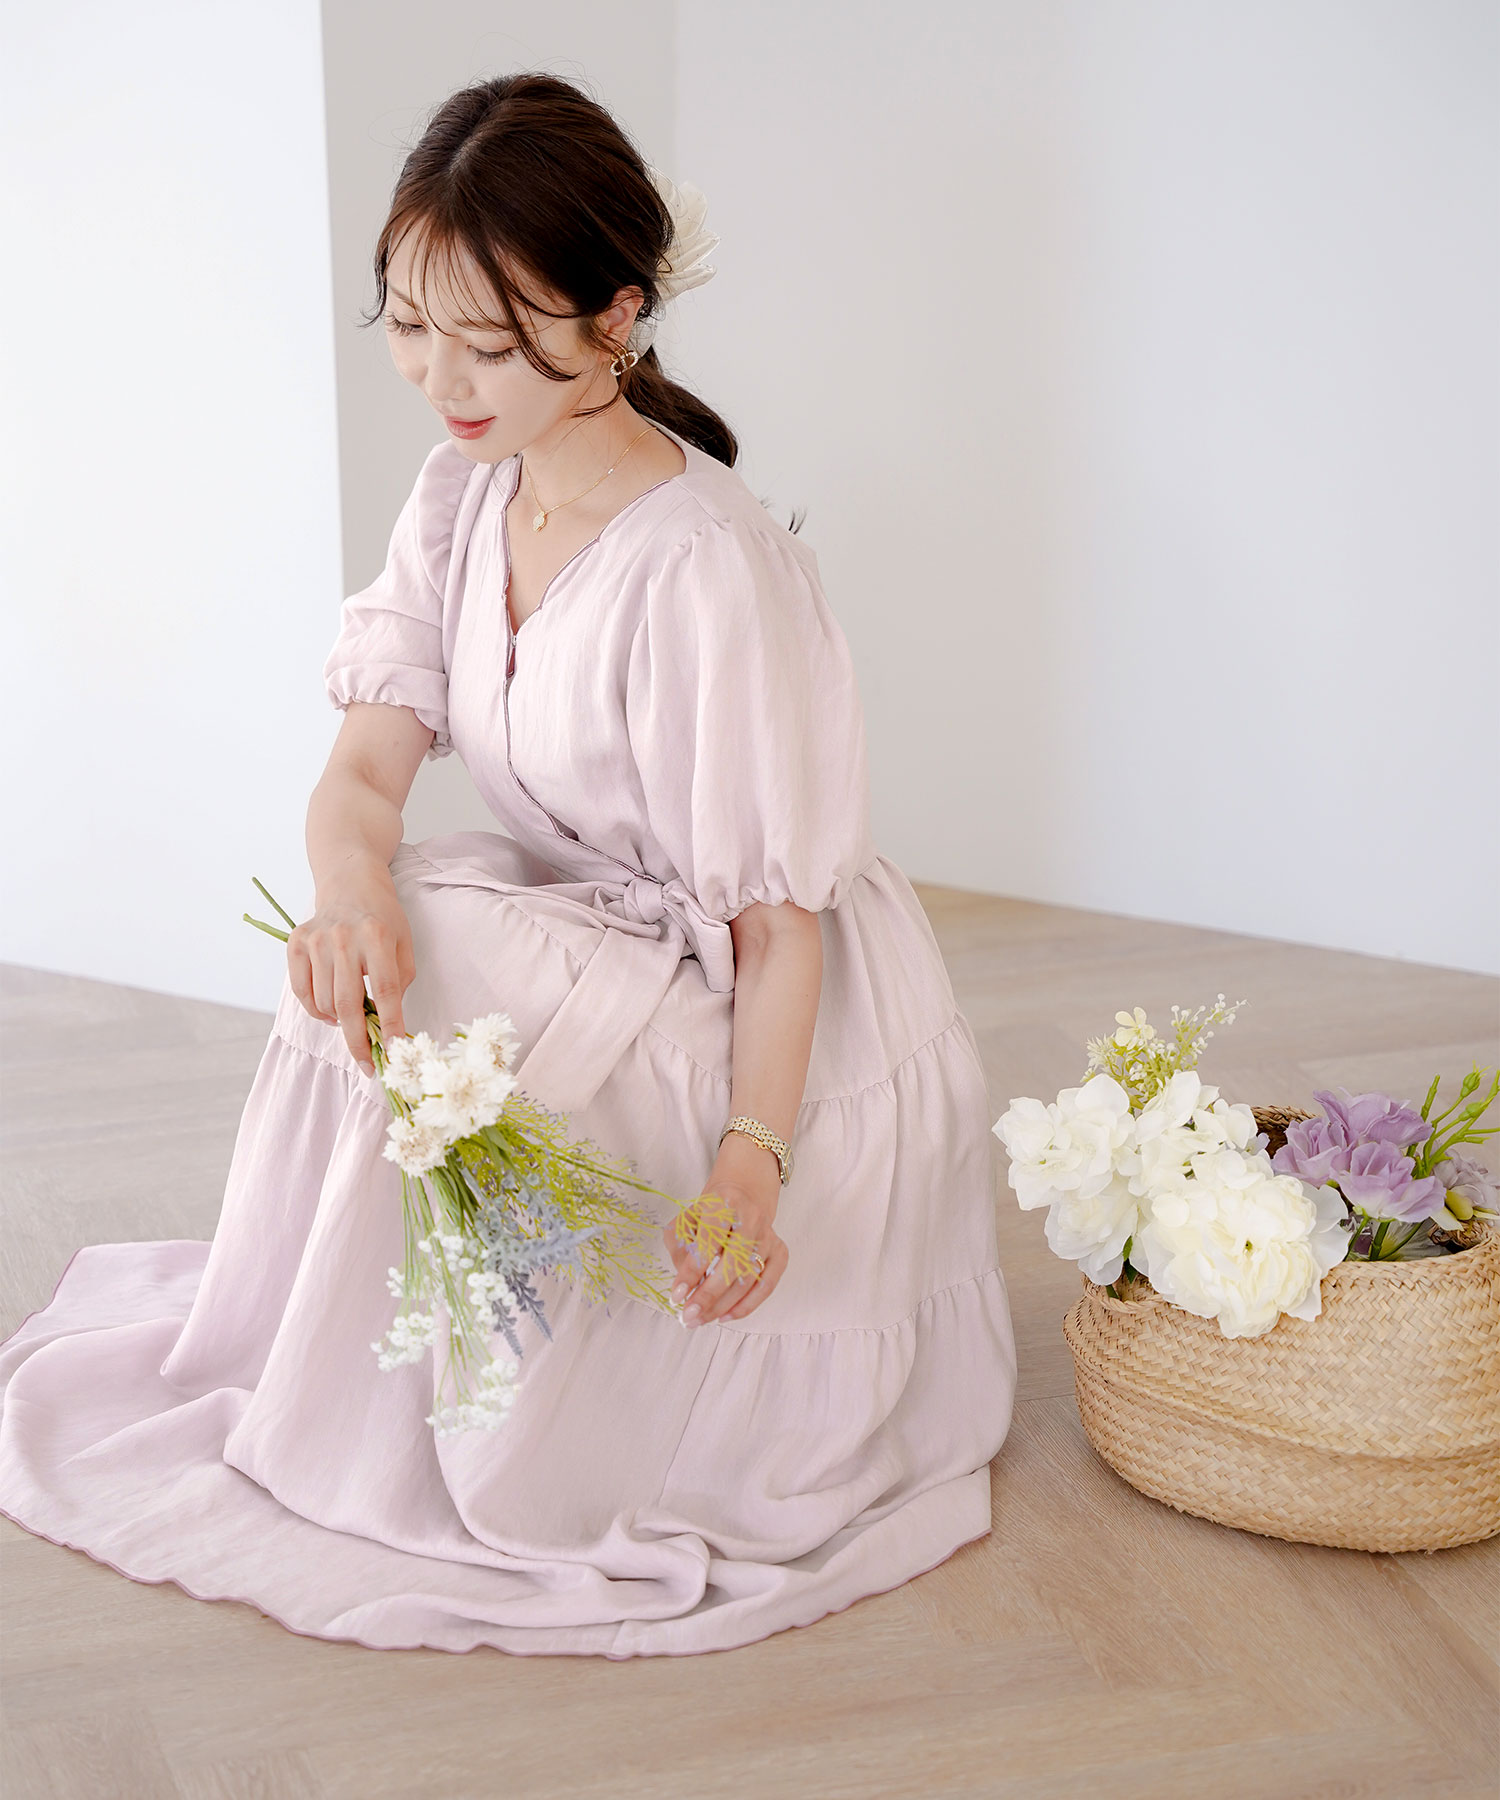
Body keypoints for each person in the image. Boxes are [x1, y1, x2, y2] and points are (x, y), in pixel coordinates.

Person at [0, 70, 1018, 1659]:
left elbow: (780, 932)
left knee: (459, 951)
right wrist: (348, 895)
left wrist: (752, 1168)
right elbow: (363, 773)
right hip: (597, 930)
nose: (441, 379)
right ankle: (366, 1364)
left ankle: (514, 1408)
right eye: (409, 327)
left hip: (764, 1009)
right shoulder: (467, 492)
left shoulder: (707, 566)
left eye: (489, 342)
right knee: (392, 934)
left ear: (617, 320)